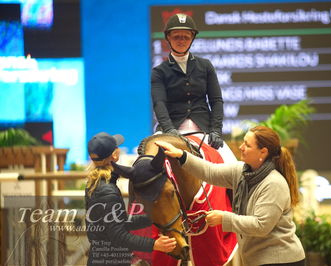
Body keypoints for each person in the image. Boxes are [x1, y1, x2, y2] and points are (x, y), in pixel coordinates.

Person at [155, 126, 306, 266]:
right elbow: (209, 171)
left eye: (247, 145)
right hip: (258, 260)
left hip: (281, 261)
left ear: (263, 152)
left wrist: (223, 218)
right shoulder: (241, 171)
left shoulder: (274, 184)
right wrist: (181, 155)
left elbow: (261, 226)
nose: (241, 147)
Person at [85, 132, 176, 266]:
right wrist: (154, 245)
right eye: (118, 148)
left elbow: (118, 222)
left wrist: (153, 218)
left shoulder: (95, 183)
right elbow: (118, 236)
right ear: (114, 155)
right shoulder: (107, 191)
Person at [151, 13, 224, 150]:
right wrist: (169, 130)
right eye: (176, 36)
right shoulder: (159, 72)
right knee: (145, 161)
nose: (181, 41)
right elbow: (159, 103)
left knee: (229, 162)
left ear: (192, 39)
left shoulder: (206, 66)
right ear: (168, 38)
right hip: (172, 128)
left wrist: (216, 130)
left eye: (186, 37)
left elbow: (216, 101)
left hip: (204, 128)